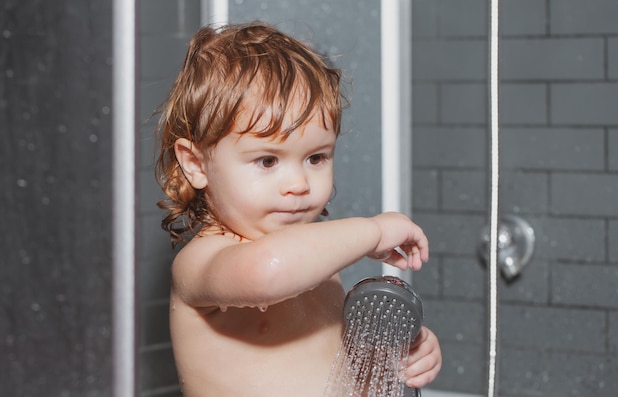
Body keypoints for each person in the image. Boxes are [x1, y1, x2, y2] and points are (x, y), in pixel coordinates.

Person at [155, 21, 442, 397]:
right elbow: (267, 273)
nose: (299, 184)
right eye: (268, 161)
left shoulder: (316, 267)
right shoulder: (201, 263)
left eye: (316, 157)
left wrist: (401, 354)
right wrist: (373, 231)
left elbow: (339, 371)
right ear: (196, 165)